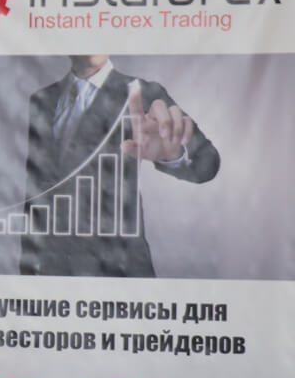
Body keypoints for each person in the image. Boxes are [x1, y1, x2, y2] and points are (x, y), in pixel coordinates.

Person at [20, 54, 220, 276]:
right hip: (53, 268)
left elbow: (206, 162)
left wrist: (172, 155)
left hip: (119, 268)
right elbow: (35, 190)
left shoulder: (141, 92)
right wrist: (28, 268)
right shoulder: (43, 99)